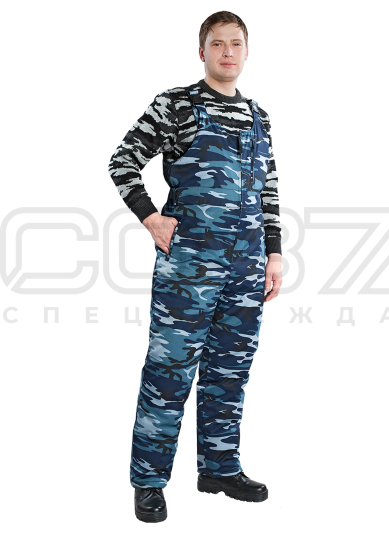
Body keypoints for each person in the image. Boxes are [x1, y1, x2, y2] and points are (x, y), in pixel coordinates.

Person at [108, 10, 282, 523]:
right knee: (169, 372)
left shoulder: (259, 116)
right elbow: (122, 161)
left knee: (230, 370)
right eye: (217, 43)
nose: (227, 52)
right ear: (201, 51)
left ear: (247, 52)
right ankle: (148, 481)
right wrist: (150, 217)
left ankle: (219, 468)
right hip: (188, 268)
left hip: (246, 269)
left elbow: (270, 190)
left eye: (236, 43)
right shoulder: (176, 105)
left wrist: (274, 253)